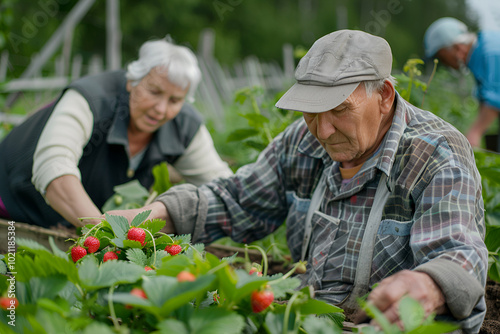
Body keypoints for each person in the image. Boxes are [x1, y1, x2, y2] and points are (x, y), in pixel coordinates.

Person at [110, 30, 487, 333]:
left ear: (385, 96)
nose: (322, 130)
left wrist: (429, 285)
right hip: (307, 322)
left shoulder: (435, 152)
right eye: (311, 112)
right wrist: (153, 214)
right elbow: (237, 200)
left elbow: (459, 253)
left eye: (339, 110)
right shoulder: (301, 141)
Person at [0, 38, 233, 228]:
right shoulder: (92, 99)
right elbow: (54, 168)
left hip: (65, 225)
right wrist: (103, 230)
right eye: (153, 91)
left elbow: (224, 188)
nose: (161, 109)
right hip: (11, 208)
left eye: (174, 100)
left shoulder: (184, 126)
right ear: (133, 81)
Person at [424, 17, 500, 149]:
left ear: (457, 48)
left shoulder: (491, 52)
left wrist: (475, 132)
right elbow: (486, 98)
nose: (445, 64)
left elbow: (494, 98)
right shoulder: (480, 53)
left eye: (442, 57)